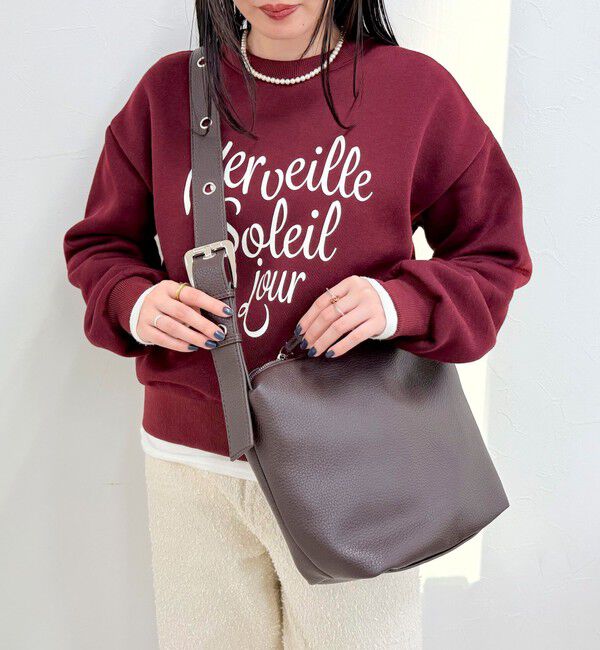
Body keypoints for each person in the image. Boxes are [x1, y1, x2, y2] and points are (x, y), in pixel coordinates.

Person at [63, 1, 533, 647]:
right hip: (189, 470)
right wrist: (135, 302)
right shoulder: (168, 93)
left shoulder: (415, 92)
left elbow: (494, 254)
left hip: (356, 466)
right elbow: (101, 245)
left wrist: (396, 302)